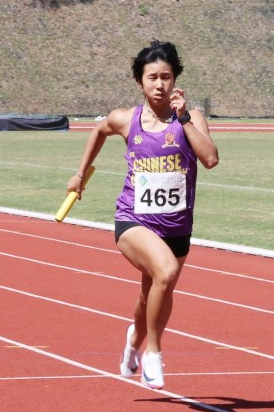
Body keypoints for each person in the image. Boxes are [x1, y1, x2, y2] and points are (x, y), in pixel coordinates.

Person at [66, 40, 218, 390]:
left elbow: (209, 160)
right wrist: (79, 174)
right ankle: (153, 353)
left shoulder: (191, 119)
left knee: (151, 293)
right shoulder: (125, 119)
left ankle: (135, 337)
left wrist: (183, 120)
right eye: (152, 77)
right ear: (140, 82)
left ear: (176, 79)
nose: (160, 84)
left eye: (166, 76)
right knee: (165, 271)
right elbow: (98, 130)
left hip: (177, 226)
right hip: (134, 219)